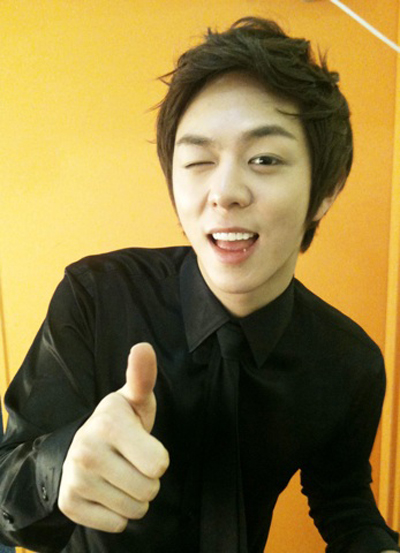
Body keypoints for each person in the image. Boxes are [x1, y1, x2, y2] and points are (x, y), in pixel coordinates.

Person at [0, 16, 399, 553]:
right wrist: (63, 463)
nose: (225, 191)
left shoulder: (348, 363)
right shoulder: (96, 297)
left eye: (264, 159)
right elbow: (6, 489)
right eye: (198, 160)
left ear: (324, 191)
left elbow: (343, 500)